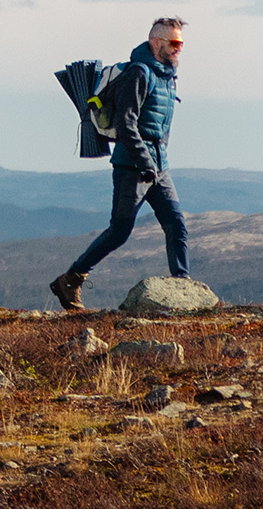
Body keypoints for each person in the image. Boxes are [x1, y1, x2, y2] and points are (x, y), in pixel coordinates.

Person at [49, 17, 189, 311]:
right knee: (120, 231)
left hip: (159, 167)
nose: (179, 49)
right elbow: (127, 124)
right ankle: (71, 279)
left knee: (176, 224)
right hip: (132, 166)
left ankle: (184, 289)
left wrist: (155, 165)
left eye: (181, 44)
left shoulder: (166, 76)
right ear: (156, 43)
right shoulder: (139, 73)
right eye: (174, 43)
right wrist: (144, 162)